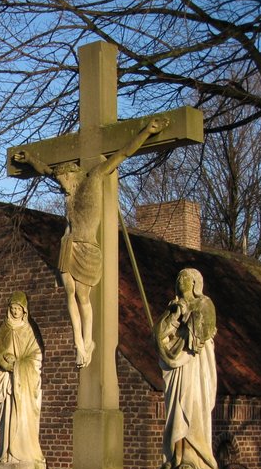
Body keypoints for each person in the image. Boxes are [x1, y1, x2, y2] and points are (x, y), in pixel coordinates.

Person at [12, 116, 169, 368]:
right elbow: (46, 171)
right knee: (69, 294)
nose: (63, 188)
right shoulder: (67, 185)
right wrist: (30, 159)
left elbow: (122, 154)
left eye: (65, 183)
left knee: (83, 297)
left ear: (73, 176)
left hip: (87, 247)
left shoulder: (94, 177)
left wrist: (146, 133)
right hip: (68, 245)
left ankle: (88, 339)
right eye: (61, 185)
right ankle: (79, 343)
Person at [153, 268, 219, 469]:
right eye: (178, 277)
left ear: (194, 284)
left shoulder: (204, 303)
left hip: (194, 366)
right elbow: (158, 335)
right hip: (175, 370)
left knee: (191, 407)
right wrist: (175, 315)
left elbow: (204, 329)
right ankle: (174, 456)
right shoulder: (172, 307)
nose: (181, 280)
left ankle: (192, 457)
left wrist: (186, 314)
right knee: (175, 411)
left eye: (186, 278)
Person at [0, 291, 44, 467]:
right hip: (8, 382)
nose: (15, 312)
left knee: (23, 419)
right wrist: (4, 363)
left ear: (24, 310)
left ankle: (24, 454)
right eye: (12, 308)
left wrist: (19, 365)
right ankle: (7, 453)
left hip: (24, 384)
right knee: (7, 419)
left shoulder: (30, 329)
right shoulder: (4, 328)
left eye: (18, 309)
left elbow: (37, 355)